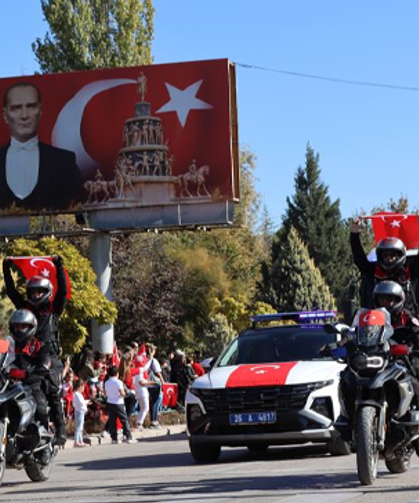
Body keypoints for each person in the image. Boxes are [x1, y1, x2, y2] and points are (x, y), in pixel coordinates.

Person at [3, 254, 68, 445]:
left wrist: (58, 265)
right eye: (33, 292)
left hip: (49, 357)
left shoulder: (52, 310)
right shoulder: (25, 307)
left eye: (40, 292)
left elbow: (62, 291)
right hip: (27, 356)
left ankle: (61, 431)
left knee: (53, 393)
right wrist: (6, 268)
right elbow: (12, 291)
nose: (36, 295)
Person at [0, 81, 83, 210]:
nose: (24, 115)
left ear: (40, 111)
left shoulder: (65, 161)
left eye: (31, 106)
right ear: (5, 116)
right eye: (16, 108)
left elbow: (79, 215)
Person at [350, 218, 419, 314]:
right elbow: (359, 259)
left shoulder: (408, 272)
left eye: (392, 255)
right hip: (376, 323)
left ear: (400, 255)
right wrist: (354, 234)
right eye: (385, 255)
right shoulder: (374, 272)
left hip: (405, 323)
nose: (388, 258)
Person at [104, 365, 136, 444]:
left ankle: (114, 438)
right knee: (124, 420)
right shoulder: (119, 382)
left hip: (110, 402)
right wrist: (127, 393)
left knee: (112, 421)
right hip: (118, 403)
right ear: (117, 373)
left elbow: (106, 393)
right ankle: (129, 437)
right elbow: (122, 394)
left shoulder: (106, 382)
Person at [72, 379, 90, 448]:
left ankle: (80, 440)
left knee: (80, 428)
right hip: (79, 412)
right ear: (80, 386)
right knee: (78, 427)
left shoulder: (78, 394)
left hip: (80, 412)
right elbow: (81, 402)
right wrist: (87, 402)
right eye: (83, 387)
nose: (83, 388)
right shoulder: (77, 394)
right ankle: (76, 441)